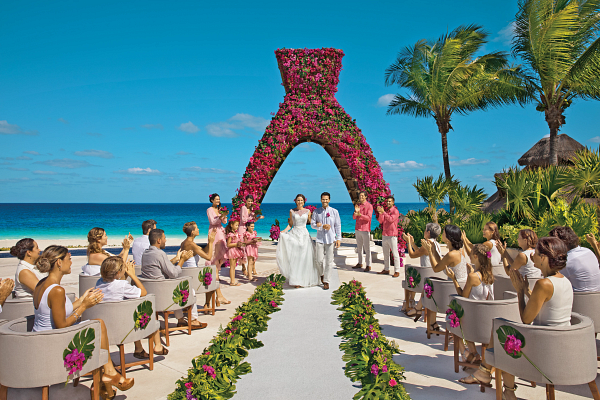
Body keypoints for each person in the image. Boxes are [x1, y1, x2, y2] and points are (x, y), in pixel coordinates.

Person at [464, 237, 573, 400]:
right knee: (501, 327)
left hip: (545, 348)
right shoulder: (564, 281)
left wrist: (520, 291)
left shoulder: (544, 284)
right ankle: (489, 375)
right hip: (561, 343)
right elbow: (549, 307)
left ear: (543, 258)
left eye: (535, 254)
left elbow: (526, 319)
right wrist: (528, 292)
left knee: (502, 331)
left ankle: (496, 381)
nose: (531, 256)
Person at [32, 245, 134, 396]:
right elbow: (61, 325)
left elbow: (57, 310)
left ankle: (106, 375)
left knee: (97, 325)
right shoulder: (57, 290)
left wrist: (80, 301)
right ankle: (108, 374)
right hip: (52, 342)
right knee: (98, 325)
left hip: (40, 338)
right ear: (59, 263)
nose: (71, 263)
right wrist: (84, 307)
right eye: (69, 259)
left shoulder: (42, 283)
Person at [96, 256, 167, 358]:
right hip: (122, 329)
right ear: (117, 273)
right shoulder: (122, 285)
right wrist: (133, 275)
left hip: (105, 326)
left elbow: (117, 285)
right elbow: (143, 292)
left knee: (128, 314)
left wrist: (124, 274)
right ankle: (158, 346)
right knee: (149, 315)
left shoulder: (99, 282)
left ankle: (139, 348)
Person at [141, 229, 206, 330]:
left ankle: (180, 320)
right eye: (164, 238)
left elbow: (161, 268)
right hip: (163, 296)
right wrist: (182, 260)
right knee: (190, 291)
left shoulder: (145, 253)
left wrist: (176, 259)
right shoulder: (160, 254)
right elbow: (174, 273)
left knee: (174, 287)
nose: (165, 240)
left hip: (151, 293)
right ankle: (193, 320)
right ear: (159, 240)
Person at [446, 243, 495, 366]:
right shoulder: (490, 275)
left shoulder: (473, 277)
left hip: (474, 322)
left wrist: (454, 279)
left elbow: (463, 297)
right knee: (463, 316)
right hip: (487, 319)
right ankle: (473, 353)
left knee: (451, 318)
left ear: (476, 257)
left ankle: (466, 353)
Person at [419, 224, 468, 334]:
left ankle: (431, 323)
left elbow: (436, 268)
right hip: (458, 289)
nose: (442, 234)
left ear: (449, 238)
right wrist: (432, 249)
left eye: (444, 233)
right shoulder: (458, 251)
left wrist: (430, 251)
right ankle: (432, 323)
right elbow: (441, 261)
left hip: (453, 293)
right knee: (431, 281)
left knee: (429, 286)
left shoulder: (452, 255)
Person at [278, 194, 320, 288]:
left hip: (304, 235)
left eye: (301, 200)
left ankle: (304, 279)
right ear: (295, 201)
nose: (300, 202)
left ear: (304, 201)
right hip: (295, 234)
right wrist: (284, 231)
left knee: (305, 258)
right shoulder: (292, 211)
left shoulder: (308, 211)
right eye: (298, 200)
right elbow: (290, 224)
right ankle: (296, 280)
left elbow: (311, 223)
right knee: (296, 258)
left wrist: (319, 226)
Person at [401, 223, 441, 315]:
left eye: (425, 230)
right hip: (433, 275)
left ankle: (408, 302)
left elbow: (412, 255)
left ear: (428, 232)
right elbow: (419, 252)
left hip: (426, 279)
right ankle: (410, 301)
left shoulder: (427, 244)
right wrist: (413, 243)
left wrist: (409, 243)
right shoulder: (436, 244)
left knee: (410, 275)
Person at [180, 222, 218, 313]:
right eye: (197, 228)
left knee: (211, 272)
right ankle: (207, 303)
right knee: (212, 274)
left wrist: (209, 242)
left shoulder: (186, 243)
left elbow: (203, 251)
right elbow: (208, 257)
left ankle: (207, 304)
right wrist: (212, 242)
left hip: (186, 275)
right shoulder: (191, 244)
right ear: (193, 232)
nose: (198, 229)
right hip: (193, 278)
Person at [549, 226, 600, 291]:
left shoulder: (565, 262)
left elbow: (549, 281)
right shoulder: (588, 252)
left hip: (576, 300)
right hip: (597, 299)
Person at [311, 192, 342, 290]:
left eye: (326, 199)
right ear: (320, 200)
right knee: (319, 260)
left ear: (329, 200)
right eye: (323, 199)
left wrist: (338, 239)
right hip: (320, 239)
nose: (325, 201)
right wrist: (320, 227)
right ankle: (321, 274)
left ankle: (326, 281)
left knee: (329, 261)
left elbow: (338, 226)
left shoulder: (334, 212)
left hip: (331, 239)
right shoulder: (316, 212)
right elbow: (312, 224)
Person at [206, 193, 231, 305]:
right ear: (212, 200)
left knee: (221, 256)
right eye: (216, 199)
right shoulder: (209, 209)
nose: (218, 201)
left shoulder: (220, 209)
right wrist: (220, 217)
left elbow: (224, 222)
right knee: (214, 257)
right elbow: (212, 221)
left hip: (221, 232)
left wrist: (224, 216)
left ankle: (217, 296)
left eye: (219, 199)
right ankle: (218, 296)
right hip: (214, 232)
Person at [239, 195, 264, 275]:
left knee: (253, 247)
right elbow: (243, 220)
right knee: (243, 248)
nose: (250, 202)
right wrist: (251, 217)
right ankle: (243, 267)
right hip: (243, 228)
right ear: (245, 200)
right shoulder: (243, 208)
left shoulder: (252, 209)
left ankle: (252, 267)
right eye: (248, 201)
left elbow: (252, 221)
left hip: (249, 228)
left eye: (251, 201)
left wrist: (258, 217)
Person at [376, 196, 401, 277]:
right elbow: (381, 221)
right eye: (387, 201)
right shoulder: (385, 211)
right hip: (385, 235)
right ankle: (386, 269)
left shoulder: (395, 211)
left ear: (393, 202)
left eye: (390, 201)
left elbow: (391, 219)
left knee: (395, 253)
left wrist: (383, 213)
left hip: (392, 235)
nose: (388, 203)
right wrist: (380, 213)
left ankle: (397, 270)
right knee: (385, 253)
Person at [352, 191, 373, 272]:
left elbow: (368, 218)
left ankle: (368, 265)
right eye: (360, 196)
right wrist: (356, 212)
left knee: (367, 248)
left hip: (365, 229)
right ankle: (360, 263)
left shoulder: (369, 206)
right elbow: (354, 217)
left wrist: (360, 214)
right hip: (358, 229)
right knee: (359, 248)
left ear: (366, 196)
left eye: (362, 196)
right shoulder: (358, 206)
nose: (360, 197)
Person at [224, 220, 246, 286]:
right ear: (231, 225)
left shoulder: (236, 233)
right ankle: (232, 281)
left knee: (234, 267)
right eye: (236, 225)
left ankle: (233, 280)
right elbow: (228, 244)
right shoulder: (230, 234)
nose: (237, 227)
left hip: (236, 250)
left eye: (238, 225)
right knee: (232, 267)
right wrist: (236, 244)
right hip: (232, 251)